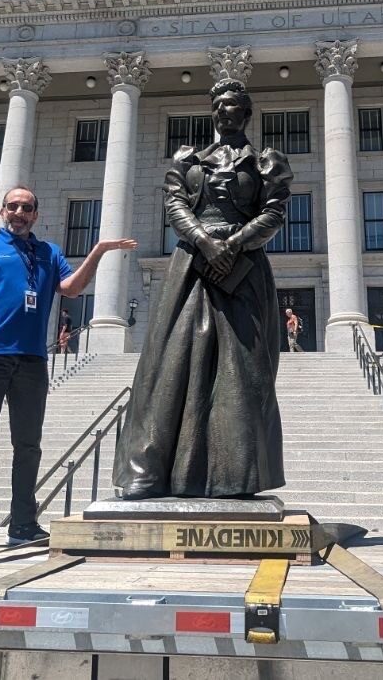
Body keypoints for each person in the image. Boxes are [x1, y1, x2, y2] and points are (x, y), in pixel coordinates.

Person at [112, 78, 292, 500]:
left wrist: (233, 244)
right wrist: (206, 242)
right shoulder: (188, 159)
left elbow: (275, 212)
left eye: (231, 106)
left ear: (246, 113)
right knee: (169, 363)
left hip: (244, 269)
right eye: (218, 106)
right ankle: (149, 472)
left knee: (243, 371)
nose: (223, 112)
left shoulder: (267, 162)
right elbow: (175, 205)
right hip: (192, 263)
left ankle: (237, 476)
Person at [0, 187, 137, 550]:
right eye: (13, 206)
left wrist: (97, 252)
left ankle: (23, 524)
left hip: (32, 358)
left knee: (28, 444)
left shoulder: (48, 252)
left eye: (26, 207)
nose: (19, 212)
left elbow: (71, 289)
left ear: (35, 215)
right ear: (2, 211)